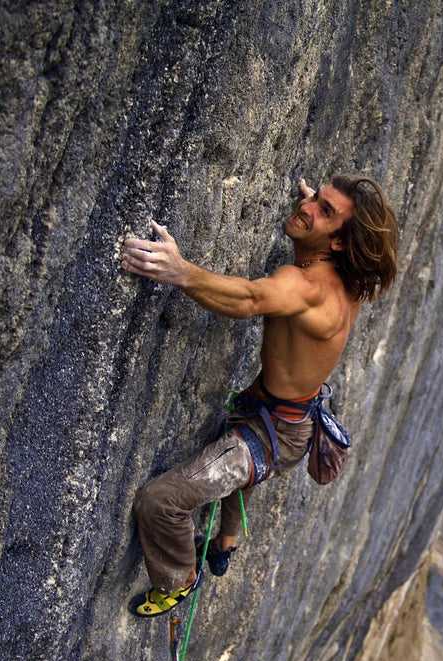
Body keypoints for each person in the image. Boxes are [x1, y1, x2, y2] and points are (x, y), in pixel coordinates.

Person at [121, 174, 398, 616]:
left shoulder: (307, 288)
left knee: (159, 502)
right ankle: (225, 545)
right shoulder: (351, 280)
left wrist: (181, 272)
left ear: (340, 243)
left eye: (325, 211)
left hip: (274, 435)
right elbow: (321, 243)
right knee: (244, 472)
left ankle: (179, 579)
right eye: (317, 198)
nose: (308, 208)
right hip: (288, 418)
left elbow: (250, 299)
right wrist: (317, 209)